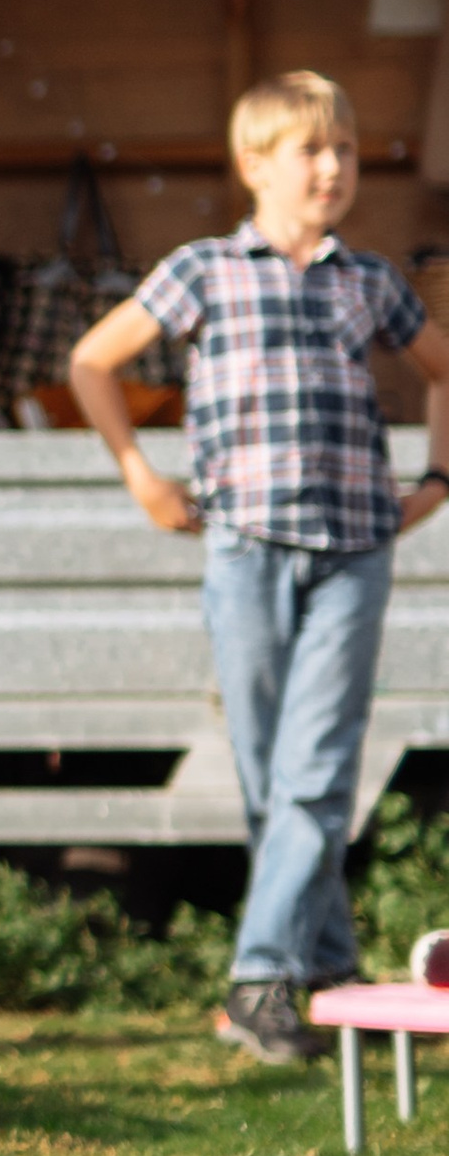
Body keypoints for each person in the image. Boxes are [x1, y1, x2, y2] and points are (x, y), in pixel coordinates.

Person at [70, 70, 449, 1062]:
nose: (332, 168)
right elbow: (90, 362)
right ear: (253, 166)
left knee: (316, 769)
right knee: (266, 775)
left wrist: (436, 479)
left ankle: (256, 982)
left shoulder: (366, 281)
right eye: (309, 151)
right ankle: (322, 969)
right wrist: (141, 478)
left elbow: (442, 368)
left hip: (352, 552)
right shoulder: (204, 271)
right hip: (241, 547)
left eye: (346, 152)